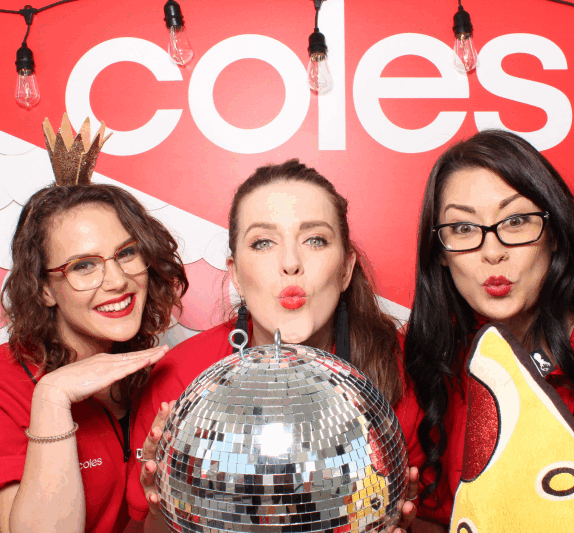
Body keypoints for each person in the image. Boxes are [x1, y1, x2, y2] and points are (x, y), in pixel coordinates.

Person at [404, 129, 574, 530]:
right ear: (440, 254)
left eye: (515, 221)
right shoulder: (449, 376)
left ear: (554, 233)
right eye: (463, 229)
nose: (492, 251)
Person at [127, 159, 421, 531]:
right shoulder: (183, 376)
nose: (290, 263)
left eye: (315, 239)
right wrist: (162, 509)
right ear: (235, 273)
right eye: (263, 242)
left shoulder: (399, 368)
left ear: (346, 269)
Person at [0, 183, 188, 533]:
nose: (118, 280)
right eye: (84, 266)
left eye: (127, 253)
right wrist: (53, 396)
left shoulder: (159, 376)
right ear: (44, 289)